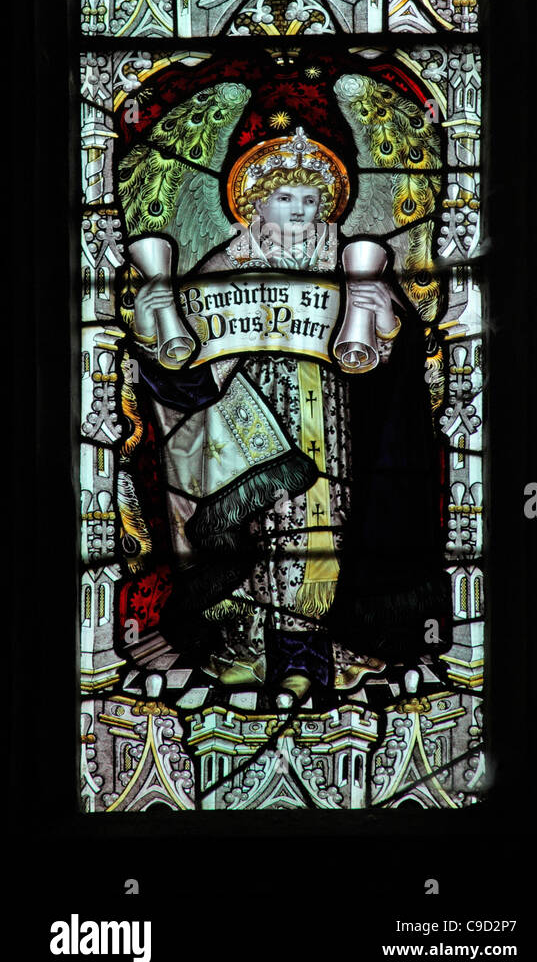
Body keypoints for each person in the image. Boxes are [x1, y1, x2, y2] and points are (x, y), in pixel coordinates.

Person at [130, 130, 446, 705]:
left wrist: (391, 324)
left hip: (329, 415)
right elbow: (183, 373)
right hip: (248, 423)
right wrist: (154, 329)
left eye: (310, 199)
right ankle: (249, 649)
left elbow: (397, 358)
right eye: (286, 198)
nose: (300, 210)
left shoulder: (347, 260)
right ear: (253, 204)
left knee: (329, 521)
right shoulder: (227, 262)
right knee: (261, 533)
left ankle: (321, 649)